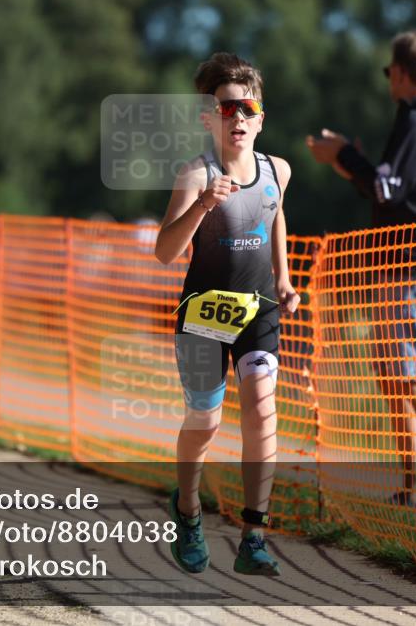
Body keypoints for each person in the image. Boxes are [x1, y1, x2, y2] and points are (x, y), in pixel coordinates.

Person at [306, 30, 416, 511]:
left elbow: (387, 188)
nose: (388, 80)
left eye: (388, 72)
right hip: (401, 264)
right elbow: (389, 187)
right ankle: (411, 486)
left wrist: (343, 155)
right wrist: (351, 164)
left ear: (400, 73)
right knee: (396, 377)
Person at [155, 52, 300, 574]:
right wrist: (200, 207)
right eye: (227, 107)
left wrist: (283, 279)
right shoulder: (195, 174)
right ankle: (188, 509)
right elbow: (165, 252)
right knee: (206, 419)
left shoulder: (276, 170)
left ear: (262, 118)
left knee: (262, 406)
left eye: (248, 107)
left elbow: (275, 215)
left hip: (258, 309)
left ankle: (254, 535)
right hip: (204, 313)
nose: (238, 117)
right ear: (208, 117)